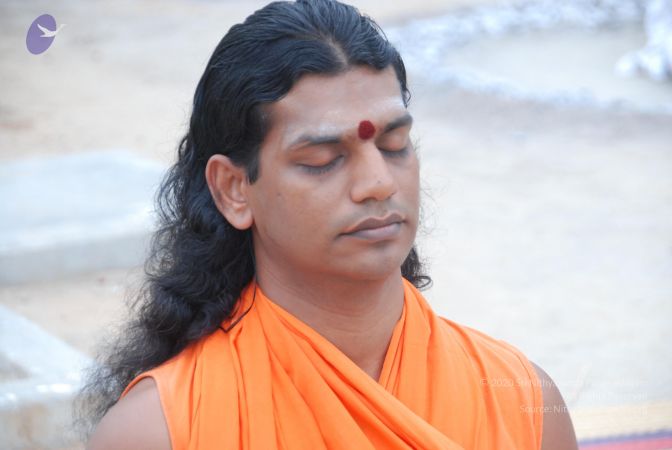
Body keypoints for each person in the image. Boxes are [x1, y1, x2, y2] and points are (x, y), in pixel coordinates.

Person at [82, 0, 578, 448]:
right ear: (233, 189)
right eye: (323, 159)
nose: (378, 183)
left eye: (393, 146)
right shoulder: (163, 431)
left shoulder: (521, 400)